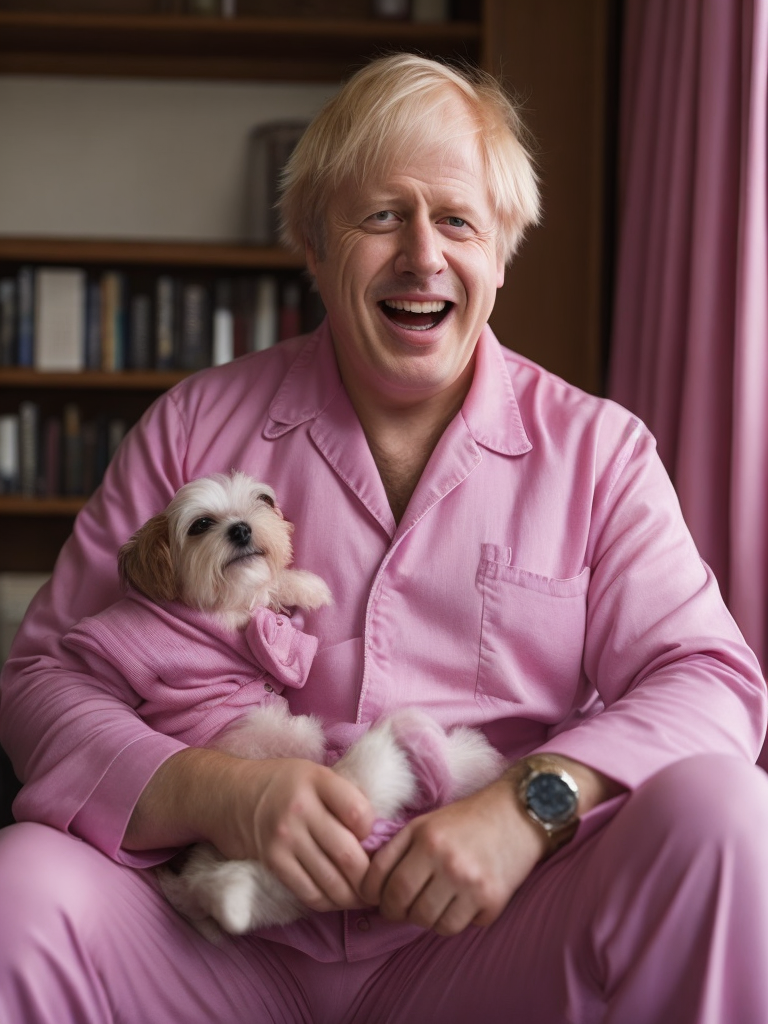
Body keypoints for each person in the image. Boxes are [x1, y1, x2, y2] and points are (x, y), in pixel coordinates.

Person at [1, 52, 767, 1024]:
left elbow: (711, 682)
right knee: (21, 887)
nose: (422, 255)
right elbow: (43, 684)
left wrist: (530, 805)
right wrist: (216, 793)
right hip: (209, 941)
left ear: (502, 250)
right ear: (313, 247)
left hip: (489, 946)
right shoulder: (192, 427)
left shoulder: (601, 452)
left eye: (456, 219)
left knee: (726, 815)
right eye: (380, 216)